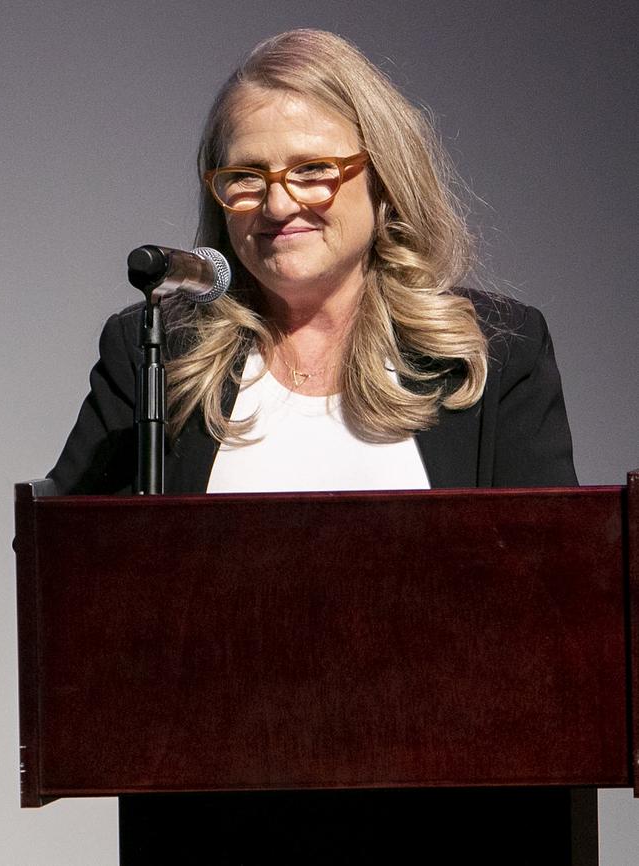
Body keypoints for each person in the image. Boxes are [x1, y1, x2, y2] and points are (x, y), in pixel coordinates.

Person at [49, 28, 582, 866]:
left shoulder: (492, 353)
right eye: (244, 177)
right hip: (214, 825)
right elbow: (68, 567)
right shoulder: (159, 355)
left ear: (383, 177)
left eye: (311, 169)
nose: (277, 202)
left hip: (457, 824)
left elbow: (553, 611)